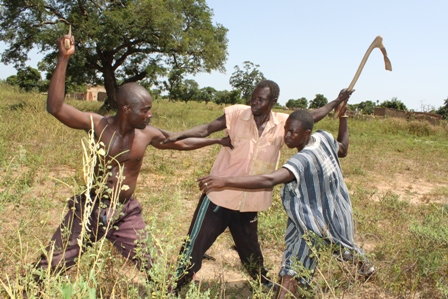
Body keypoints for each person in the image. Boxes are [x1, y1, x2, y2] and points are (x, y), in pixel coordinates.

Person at [36, 34, 231, 280]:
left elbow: (181, 142)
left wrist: (217, 140)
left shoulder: (146, 134)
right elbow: (56, 108)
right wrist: (63, 59)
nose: (150, 115)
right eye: (146, 109)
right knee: (51, 263)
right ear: (127, 109)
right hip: (90, 208)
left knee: (155, 270)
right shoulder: (98, 125)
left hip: (125, 212)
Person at [161, 79, 353, 290]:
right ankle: (174, 286)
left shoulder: (282, 124)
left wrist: (338, 101)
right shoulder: (236, 114)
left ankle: (262, 284)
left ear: (273, 101)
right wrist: (178, 134)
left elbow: (313, 115)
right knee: (194, 246)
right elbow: (206, 129)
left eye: (260, 99)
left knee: (250, 250)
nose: (254, 103)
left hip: (250, 201)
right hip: (219, 196)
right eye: (253, 98)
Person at [197, 105, 375, 298]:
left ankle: (364, 271)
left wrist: (224, 180)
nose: (287, 136)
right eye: (286, 129)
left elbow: (269, 179)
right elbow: (343, 148)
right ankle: (366, 271)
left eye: (293, 132)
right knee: (300, 264)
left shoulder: (303, 159)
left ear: (306, 133)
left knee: (339, 249)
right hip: (337, 213)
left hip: (314, 219)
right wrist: (344, 118)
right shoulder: (323, 138)